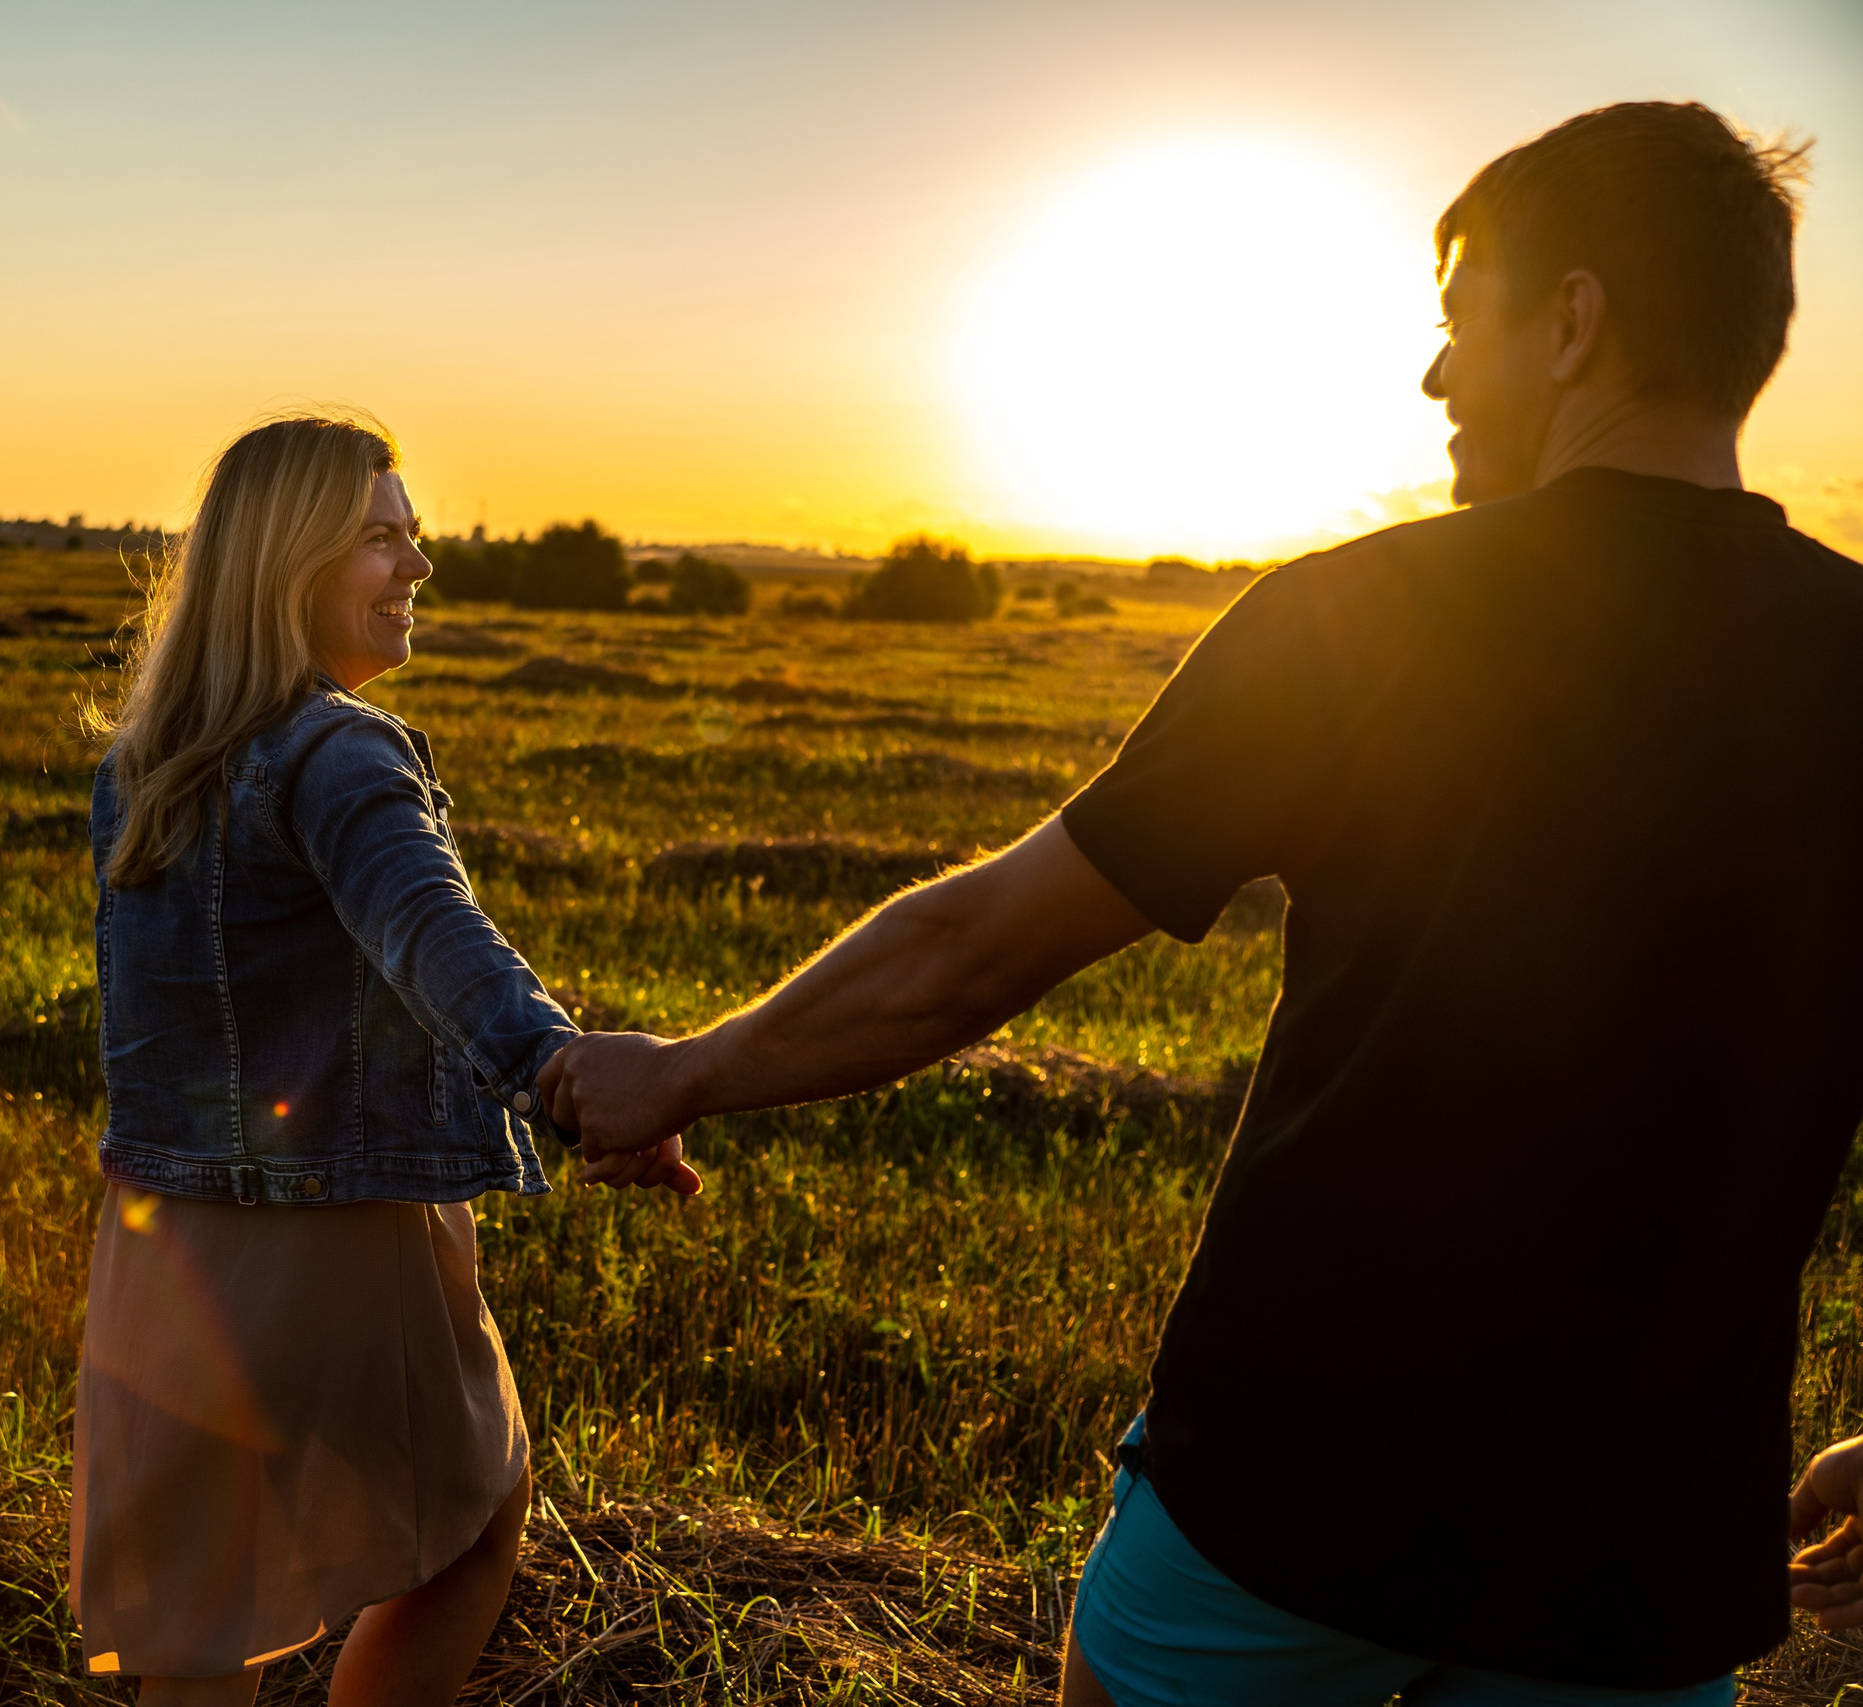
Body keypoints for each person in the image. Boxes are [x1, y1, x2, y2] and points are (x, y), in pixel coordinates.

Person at [546, 101, 1859, 1705]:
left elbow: (974, 951)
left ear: (1574, 323)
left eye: (1460, 326)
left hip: (1280, 1513)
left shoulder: (1366, 616)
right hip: (1635, 1573)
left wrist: (686, 1068)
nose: (1437, 380)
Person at [70, 413, 695, 1707]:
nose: (417, 567)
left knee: (198, 1638)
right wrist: (567, 1076)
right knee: (475, 1523)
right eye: (379, 539)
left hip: (163, 1244)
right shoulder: (340, 746)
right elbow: (433, 932)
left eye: (413, 536)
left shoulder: (142, 770)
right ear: (289, 561)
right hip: (343, 1232)